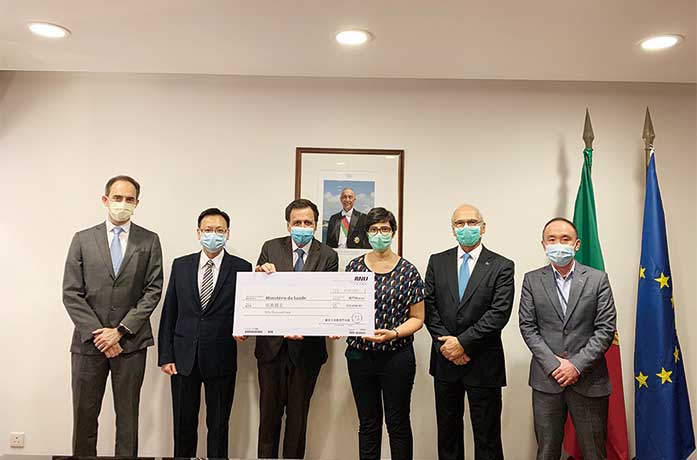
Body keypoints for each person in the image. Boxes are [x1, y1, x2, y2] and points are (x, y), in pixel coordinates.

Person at [62, 175, 163, 456]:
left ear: (137, 203)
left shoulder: (149, 240)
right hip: (89, 344)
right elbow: (71, 292)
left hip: (130, 343)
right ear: (105, 200)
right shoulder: (83, 239)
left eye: (129, 199)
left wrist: (119, 331)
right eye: (117, 198)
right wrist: (100, 335)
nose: (123, 203)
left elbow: (153, 290)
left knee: (128, 419)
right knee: (84, 416)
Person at [246, 198, 338, 459]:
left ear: (316, 225)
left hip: (307, 350)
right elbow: (258, 294)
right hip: (272, 349)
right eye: (297, 222)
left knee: (298, 419)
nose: (302, 227)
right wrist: (260, 273)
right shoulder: (270, 248)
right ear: (288, 225)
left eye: (308, 222)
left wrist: (322, 324)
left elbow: (329, 300)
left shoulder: (328, 255)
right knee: (268, 417)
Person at [519, 217, 616, 460]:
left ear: (577, 244)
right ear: (543, 245)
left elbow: (605, 329)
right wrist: (555, 365)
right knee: (547, 452)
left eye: (565, 239)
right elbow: (528, 327)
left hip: (589, 379)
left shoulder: (597, 279)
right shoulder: (532, 280)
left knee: (594, 453)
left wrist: (576, 366)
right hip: (547, 381)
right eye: (552, 239)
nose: (558, 244)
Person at [157, 207, 252, 458]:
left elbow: (247, 310)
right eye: (208, 230)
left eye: (219, 230)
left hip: (221, 358)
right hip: (183, 358)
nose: (213, 235)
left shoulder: (242, 267)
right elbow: (170, 312)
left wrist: (245, 328)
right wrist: (166, 355)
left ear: (228, 234)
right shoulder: (181, 265)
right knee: (183, 425)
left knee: (219, 426)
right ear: (198, 233)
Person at [424, 204, 515, 460]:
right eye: (460, 223)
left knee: (487, 439)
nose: (466, 228)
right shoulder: (437, 261)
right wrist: (448, 347)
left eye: (472, 223)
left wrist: (462, 344)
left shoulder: (501, 265)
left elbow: (499, 313)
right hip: (445, 362)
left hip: (483, 363)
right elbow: (429, 307)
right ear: (452, 229)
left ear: (483, 228)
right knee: (448, 437)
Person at [344, 207, 425, 460]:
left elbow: (418, 318)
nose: (380, 234)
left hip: (397, 356)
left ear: (393, 232)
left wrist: (394, 333)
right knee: (368, 423)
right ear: (367, 233)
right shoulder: (353, 268)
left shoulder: (408, 271)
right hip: (360, 356)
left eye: (385, 229)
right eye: (374, 229)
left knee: (398, 422)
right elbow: (343, 309)